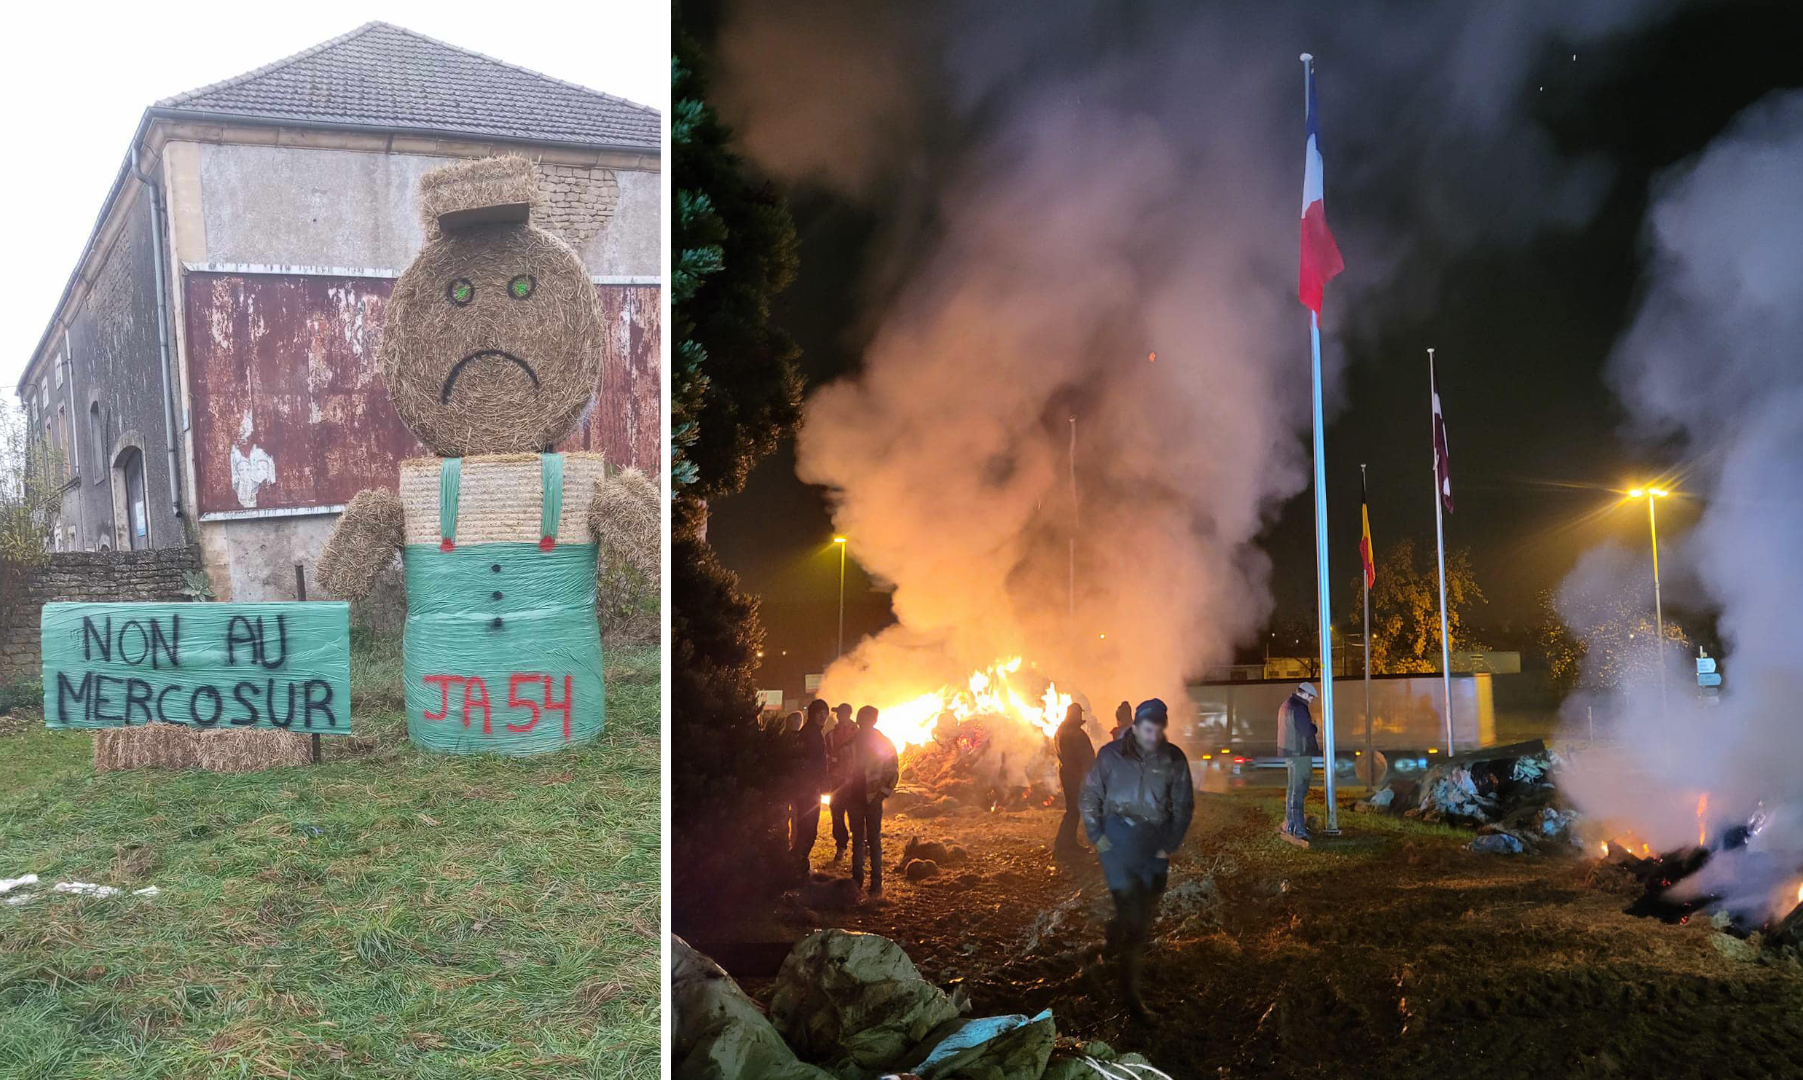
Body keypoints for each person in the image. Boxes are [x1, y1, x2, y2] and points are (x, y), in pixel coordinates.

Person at [1080, 698, 1194, 1022]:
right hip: (1119, 848)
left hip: (1154, 849)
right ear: (1136, 724)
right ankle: (1132, 1001)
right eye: (1147, 725)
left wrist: (1167, 845)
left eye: (1159, 726)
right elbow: (1090, 794)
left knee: (1146, 903)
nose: (1152, 732)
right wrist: (1097, 836)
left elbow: (1184, 805)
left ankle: (1109, 945)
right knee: (1137, 923)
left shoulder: (1173, 759)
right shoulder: (1111, 756)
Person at [846, 705, 899, 897]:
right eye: (861, 717)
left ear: (874, 720)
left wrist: (881, 795)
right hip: (854, 797)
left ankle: (876, 882)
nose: (863, 721)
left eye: (867, 718)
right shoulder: (851, 741)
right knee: (858, 840)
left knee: (874, 841)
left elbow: (892, 772)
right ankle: (856, 880)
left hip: (872, 799)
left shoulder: (883, 743)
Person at [789, 700, 830, 876]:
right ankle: (795, 868)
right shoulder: (811, 734)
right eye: (819, 713)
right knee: (808, 831)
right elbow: (812, 764)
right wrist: (818, 784)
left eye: (825, 713)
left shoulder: (812, 733)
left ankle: (796, 866)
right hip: (809, 790)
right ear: (812, 714)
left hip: (809, 789)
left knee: (806, 830)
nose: (823, 716)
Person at [1278, 682, 1322, 841]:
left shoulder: (1286, 705)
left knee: (1292, 790)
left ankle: (1290, 824)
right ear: (1304, 694)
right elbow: (1306, 731)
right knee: (1299, 791)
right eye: (1310, 697)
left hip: (1290, 753)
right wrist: (1314, 727)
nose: (1310, 700)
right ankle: (1299, 829)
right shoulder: (1299, 708)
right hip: (1300, 754)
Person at [1054, 702, 1095, 857]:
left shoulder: (1060, 731)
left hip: (1067, 774)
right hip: (1076, 777)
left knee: (1073, 810)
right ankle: (1064, 846)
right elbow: (1086, 758)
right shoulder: (1076, 734)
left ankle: (1067, 844)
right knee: (1073, 811)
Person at [826, 702, 858, 860]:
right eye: (838, 714)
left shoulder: (858, 733)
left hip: (855, 781)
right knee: (837, 813)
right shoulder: (830, 735)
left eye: (841, 714)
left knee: (856, 813)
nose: (838, 716)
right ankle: (841, 845)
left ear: (848, 715)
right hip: (837, 781)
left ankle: (861, 843)